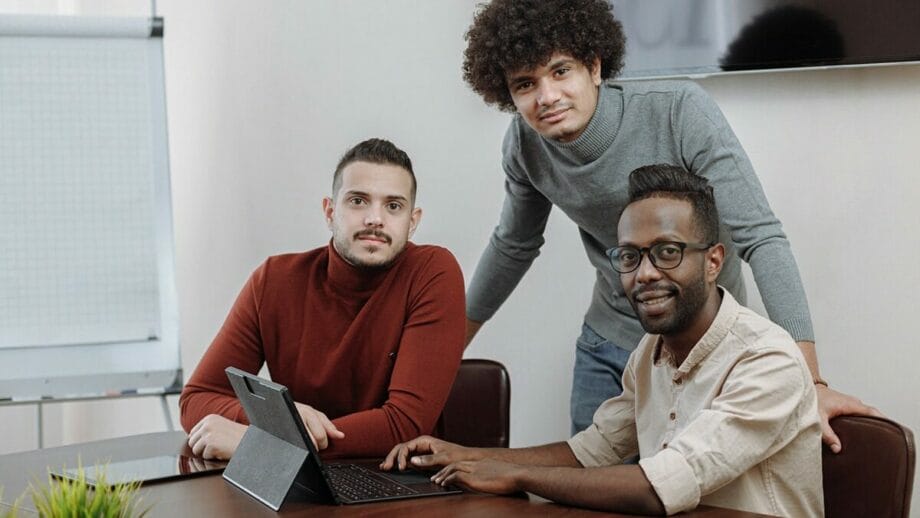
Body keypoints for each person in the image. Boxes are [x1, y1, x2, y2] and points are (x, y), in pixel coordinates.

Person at [460, 0, 879, 445]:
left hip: (706, 342)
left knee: (691, 496)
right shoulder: (524, 147)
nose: (546, 96)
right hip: (611, 342)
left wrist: (810, 383)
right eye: (526, 84)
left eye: (561, 71)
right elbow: (512, 246)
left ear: (595, 67)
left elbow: (760, 237)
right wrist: (449, 351)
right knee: (585, 496)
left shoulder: (679, 110)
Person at [383, 165, 823, 517]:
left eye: (667, 252)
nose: (645, 273)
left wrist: (515, 475)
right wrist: (468, 456)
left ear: (713, 261)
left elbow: (660, 486)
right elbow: (590, 452)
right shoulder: (649, 353)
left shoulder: (767, 358)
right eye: (630, 256)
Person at [179, 138, 465, 460]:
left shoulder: (432, 272)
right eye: (358, 201)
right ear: (330, 211)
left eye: (393, 206)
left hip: (395, 485)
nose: (375, 218)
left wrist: (268, 442)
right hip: (296, 486)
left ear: (413, 222)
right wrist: (283, 422)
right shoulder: (274, 280)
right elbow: (198, 398)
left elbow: (404, 425)